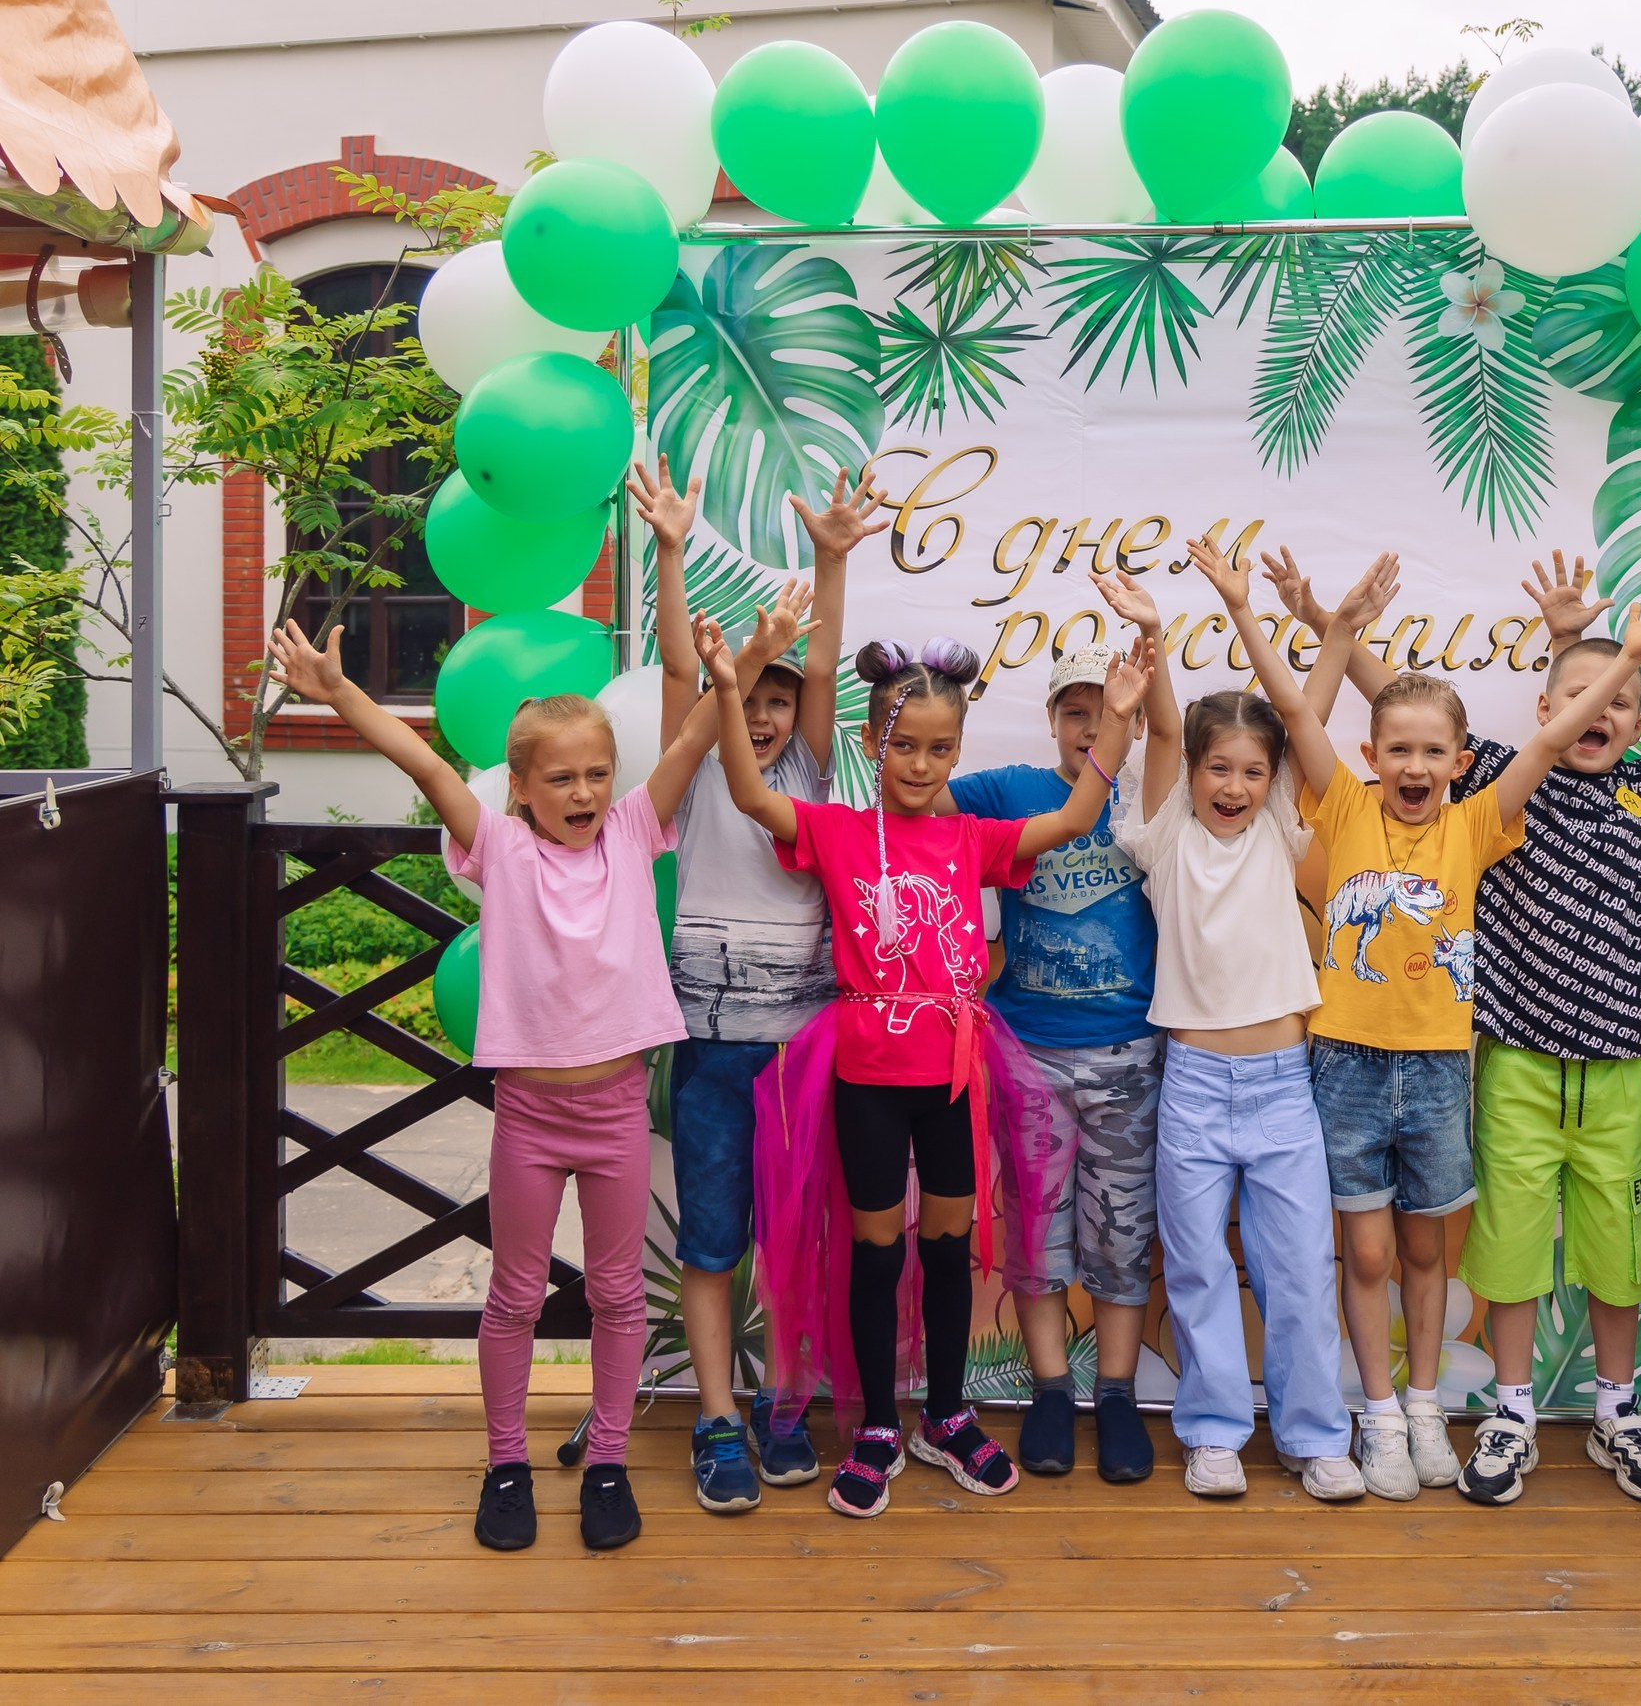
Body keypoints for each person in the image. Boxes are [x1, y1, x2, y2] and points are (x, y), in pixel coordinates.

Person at [1269, 551, 1641, 1508]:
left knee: (1617, 1241)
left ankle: (1621, 1409)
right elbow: (1406, 716)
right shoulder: (1492, 778)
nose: (1601, 715)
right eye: (1577, 700)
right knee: (1504, 1236)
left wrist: (1602, 657)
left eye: (1619, 704)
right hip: (1508, 1055)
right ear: (1544, 714)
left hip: (1620, 1059)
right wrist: (1585, 651)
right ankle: (1509, 1408)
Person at [265, 604, 740, 1555]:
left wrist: (744, 668)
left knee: (614, 1295)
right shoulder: (503, 849)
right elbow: (425, 762)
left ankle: (607, 1459)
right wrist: (340, 690)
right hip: (529, 1113)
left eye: (597, 773)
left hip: (612, 1114)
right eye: (559, 777)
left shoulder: (636, 832)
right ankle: (506, 1463)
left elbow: (692, 740)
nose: (583, 791)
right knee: (516, 1295)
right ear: (519, 789)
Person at [706, 621, 1152, 1519]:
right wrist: (728, 686)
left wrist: (1120, 723)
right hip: (868, 1073)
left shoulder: (968, 836)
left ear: (959, 748)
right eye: (903, 746)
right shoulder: (834, 830)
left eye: (940, 748)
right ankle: (877, 1423)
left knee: (949, 1249)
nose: (920, 764)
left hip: (955, 1071)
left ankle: (946, 1414)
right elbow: (753, 794)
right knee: (877, 1250)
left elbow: (1069, 819)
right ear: (874, 742)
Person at [630, 454, 888, 1514]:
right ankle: (717, 1419)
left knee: (792, 1233)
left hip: (804, 1047)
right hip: (706, 1040)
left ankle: (785, 1402)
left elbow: (823, 669)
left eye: (783, 699)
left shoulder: (806, 779)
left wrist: (830, 565)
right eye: (755, 694)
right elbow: (687, 681)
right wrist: (670, 549)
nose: (771, 713)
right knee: (712, 1236)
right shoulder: (692, 771)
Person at [1099, 546, 1369, 1503]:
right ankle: (1215, 1430)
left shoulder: (1285, 828)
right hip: (1196, 1088)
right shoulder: (1165, 832)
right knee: (1202, 1269)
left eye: (1253, 772)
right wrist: (1153, 637)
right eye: (1220, 768)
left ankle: (1312, 1433)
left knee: (1299, 1272)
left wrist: (1319, 629)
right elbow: (1164, 731)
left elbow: (1305, 716)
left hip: (1285, 1087)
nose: (1235, 785)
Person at [943, 643, 1165, 1485]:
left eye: (1110, 712)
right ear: (1050, 721)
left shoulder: (1152, 797)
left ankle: (1112, 1391)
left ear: (1135, 724)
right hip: (1028, 1060)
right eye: (1076, 711)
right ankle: (1047, 1389)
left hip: (1130, 1058)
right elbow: (913, 803)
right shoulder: (1010, 793)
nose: (1091, 725)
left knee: (1120, 1232)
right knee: (1036, 1231)